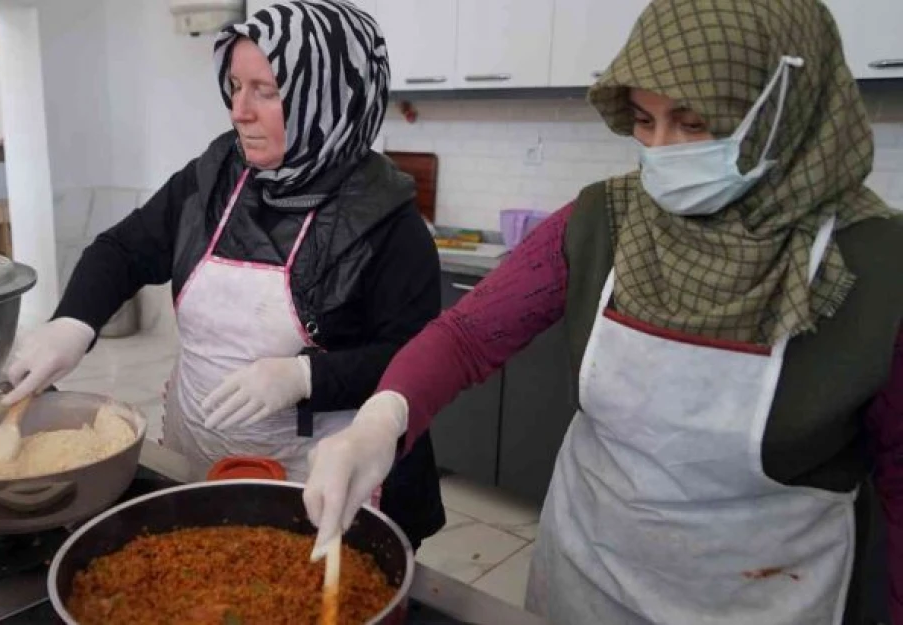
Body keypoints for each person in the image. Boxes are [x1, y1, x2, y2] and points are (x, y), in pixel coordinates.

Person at [303, 0, 903, 622]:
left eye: (694, 124)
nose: (661, 150)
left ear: (784, 109)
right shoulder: (606, 220)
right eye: (644, 120)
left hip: (764, 595)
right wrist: (382, 418)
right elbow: (467, 336)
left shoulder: (877, 265)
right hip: (589, 577)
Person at [1, 0, 445, 549]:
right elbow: (124, 248)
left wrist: (305, 378)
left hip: (325, 477)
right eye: (235, 86)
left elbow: (417, 360)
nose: (239, 110)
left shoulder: (392, 226)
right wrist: (73, 321)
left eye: (266, 90)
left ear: (329, 97)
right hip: (200, 456)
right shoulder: (214, 179)